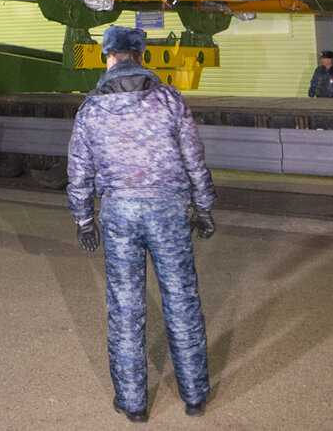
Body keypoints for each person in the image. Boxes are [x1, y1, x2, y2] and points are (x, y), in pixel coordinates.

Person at [67, 26, 214, 422]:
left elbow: (79, 170)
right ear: (142, 56)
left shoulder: (91, 108)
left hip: (119, 216)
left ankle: (133, 405)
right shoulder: (169, 101)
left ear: (108, 56)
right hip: (168, 212)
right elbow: (194, 160)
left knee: (125, 308)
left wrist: (83, 219)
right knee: (182, 301)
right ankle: (195, 396)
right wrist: (203, 207)